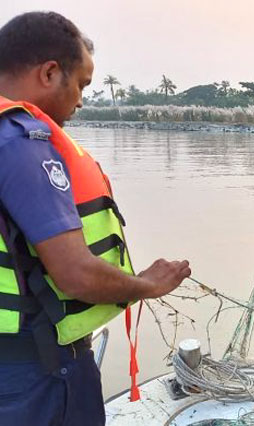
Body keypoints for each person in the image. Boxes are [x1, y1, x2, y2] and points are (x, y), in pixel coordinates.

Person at [0, 12, 191, 426]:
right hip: (36, 372)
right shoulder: (21, 143)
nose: (82, 100)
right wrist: (147, 285)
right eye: (81, 84)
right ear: (50, 73)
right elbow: (74, 274)